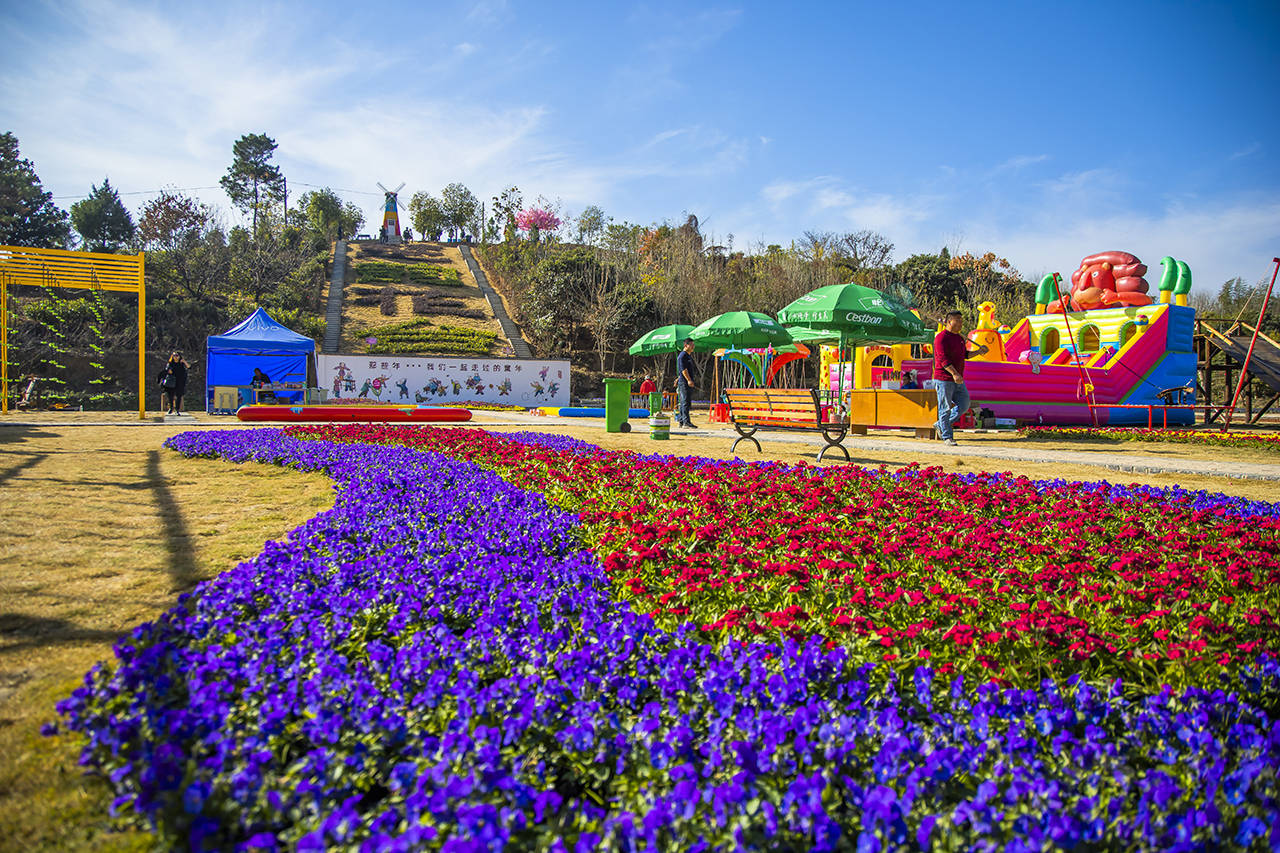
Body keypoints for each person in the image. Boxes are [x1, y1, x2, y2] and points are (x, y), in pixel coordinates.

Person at [933, 311, 988, 445]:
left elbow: (965, 355)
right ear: (949, 321)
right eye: (957, 320)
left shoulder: (959, 338)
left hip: (958, 379)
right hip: (944, 379)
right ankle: (947, 437)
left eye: (961, 320)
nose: (960, 323)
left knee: (964, 405)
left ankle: (941, 424)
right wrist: (954, 373)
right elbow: (942, 359)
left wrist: (979, 352)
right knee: (944, 408)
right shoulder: (941, 338)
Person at [675, 338, 698, 428]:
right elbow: (683, 370)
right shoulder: (682, 356)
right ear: (685, 345)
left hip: (684, 381)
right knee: (685, 402)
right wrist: (689, 380)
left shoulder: (688, 356)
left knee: (685, 401)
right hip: (684, 382)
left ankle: (681, 421)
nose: (693, 347)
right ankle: (686, 422)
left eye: (693, 345)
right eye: (691, 345)